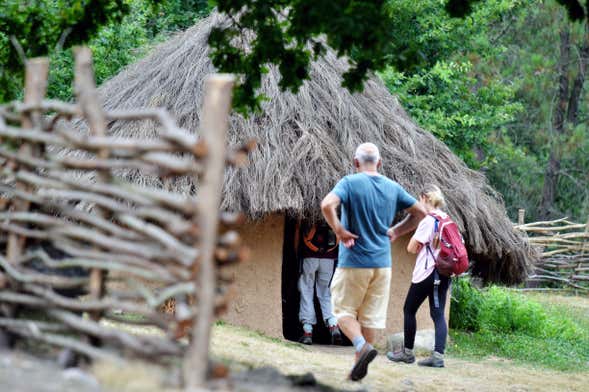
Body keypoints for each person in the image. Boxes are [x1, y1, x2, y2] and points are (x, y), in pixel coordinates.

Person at [321, 142, 426, 381]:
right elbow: (420, 212)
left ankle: (360, 344)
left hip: (354, 261)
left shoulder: (349, 182)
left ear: (355, 162)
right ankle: (358, 369)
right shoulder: (392, 187)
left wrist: (338, 229)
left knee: (341, 311)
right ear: (379, 163)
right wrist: (397, 231)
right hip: (382, 265)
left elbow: (327, 204)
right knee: (369, 318)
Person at [386, 184, 451, 368]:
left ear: (424, 198)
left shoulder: (429, 221)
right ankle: (438, 355)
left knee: (409, 309)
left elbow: (411, 247)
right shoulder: (446, 219)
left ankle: (407, 353)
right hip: (444, 273)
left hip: (427, 272)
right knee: (438, 314)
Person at [296, 220, 342, 345]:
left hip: (309, 257)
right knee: (325, 292)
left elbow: (298, 236)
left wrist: (297, 252)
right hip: (328, 258)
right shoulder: (334, 217)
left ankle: (307, 331)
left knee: (306, 291)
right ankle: (333, 325)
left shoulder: (309, 217)